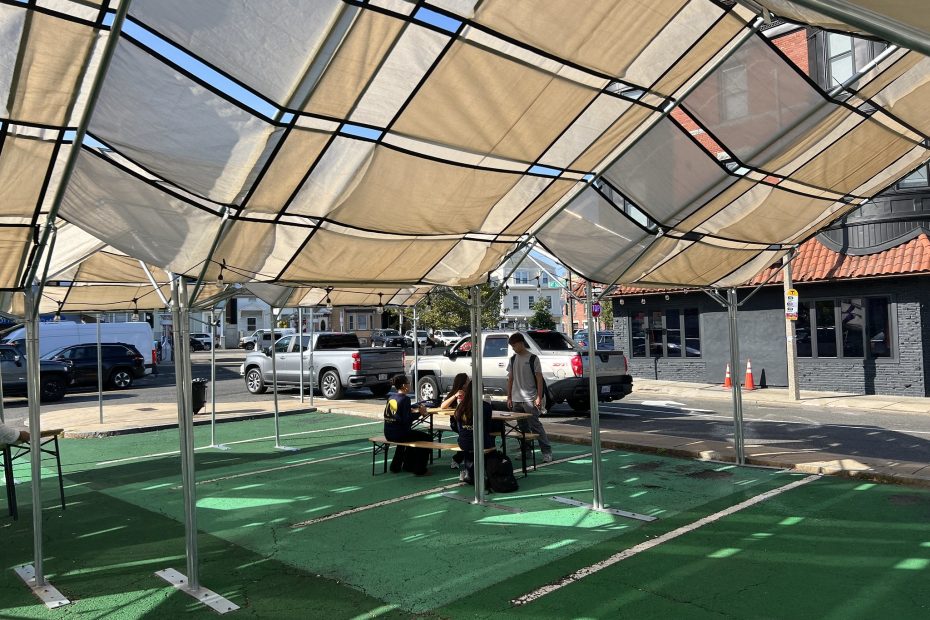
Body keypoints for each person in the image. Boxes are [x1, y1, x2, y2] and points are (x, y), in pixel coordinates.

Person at [506, 332, 553, 462]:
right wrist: (509, 397)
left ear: (521, 343)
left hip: (530, 398)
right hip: (516, 399)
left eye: (514, 345)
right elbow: (510, 379)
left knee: (535, 426)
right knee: (522, 428)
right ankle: (526, 451)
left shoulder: (533, 358)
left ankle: (546, 452)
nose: (513, 348)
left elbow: (539, 379)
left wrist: (539, 396)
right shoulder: (513, 359)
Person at [383, 374, 431, 476]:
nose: (410, 385)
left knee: (410, 437)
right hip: (400, 434)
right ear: (404, 385)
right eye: (409, 383)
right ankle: (419, 468)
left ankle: (397, 465)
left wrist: (413, 407)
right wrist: (420, 413)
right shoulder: (405, 399)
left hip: (388, 433)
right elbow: (407, 421)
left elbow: (397, 411)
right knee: (427, 438)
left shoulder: (392, 397)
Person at [453, 380, 495, 483]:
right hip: (480, 442)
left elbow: (459, 428)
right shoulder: (485, 406)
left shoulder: (460, 406)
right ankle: (486, 470)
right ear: (481, 391)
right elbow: (488, 427)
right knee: (488, 440)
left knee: (470, 443)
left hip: (463, 442)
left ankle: (469, 472)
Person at [441, 373, 469, 469]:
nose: (468, 383)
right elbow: (442, 406)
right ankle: (457, 459)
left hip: (468, 421)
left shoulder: (470, 392)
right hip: (456, 423)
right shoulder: (455, 393)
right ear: (462, 384)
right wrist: (455, 396)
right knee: (467, 436)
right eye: (467, 382)